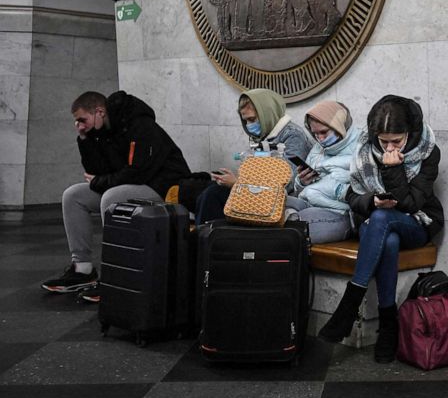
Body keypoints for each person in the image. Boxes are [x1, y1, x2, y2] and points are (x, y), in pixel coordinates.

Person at [318, 95, 443, 364]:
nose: (388, 146)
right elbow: (352, 197)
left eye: (396, 141)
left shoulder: (428, 151)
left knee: (384, 219)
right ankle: (388, 324)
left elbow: (411, 203)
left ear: (410, 133)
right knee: (386, 237)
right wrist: (371, 201)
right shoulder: (365, 149)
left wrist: (393, 170)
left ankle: (349, 305)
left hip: (417, 222)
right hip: (375, 222)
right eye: (383, 141)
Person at [41, 91, 191, 296]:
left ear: (99, 112)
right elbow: (96, 172)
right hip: (132, 183)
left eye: (82, 120)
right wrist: (85, 139)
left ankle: (118, 275)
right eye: (77, 122)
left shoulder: (140, 125)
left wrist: (100, 181)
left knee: (112, 198)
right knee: (73, 195)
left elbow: (137, 172)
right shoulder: (102, 131)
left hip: (164, 186)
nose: (79, 126)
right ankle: (83, 269)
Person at [195, 88, 312, 224]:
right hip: (257, 194)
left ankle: (209, 241)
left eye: (252, 119)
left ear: (266, 114)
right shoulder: (262, 136)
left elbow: (287, 182)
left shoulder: (293, 136)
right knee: (204, 192)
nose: (249, 125)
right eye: (246, 121)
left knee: (213, 196)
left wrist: (237, 185)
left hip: (280, 200)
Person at [283, 100, 361, 243]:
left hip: (339, 212)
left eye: (324, 132)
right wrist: (302, 181)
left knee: (297, 225)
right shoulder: (318, 149)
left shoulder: (361, 146)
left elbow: (365, 187)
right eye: (316, 134)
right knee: (272, 203)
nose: (320, 138)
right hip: (310, 200)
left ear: (338, 125)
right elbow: (300, 190)